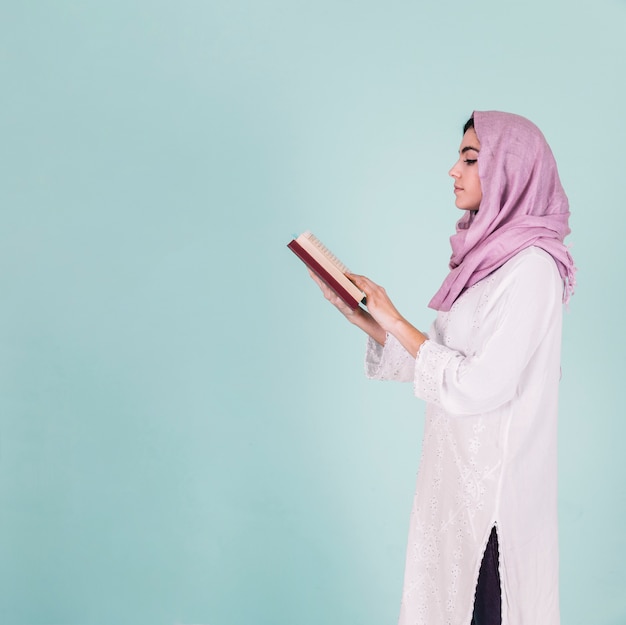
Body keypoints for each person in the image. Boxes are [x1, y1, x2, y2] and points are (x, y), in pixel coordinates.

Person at [307, 111, 575, 625]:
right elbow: (439, 357)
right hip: (454, 484)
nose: (454, 171)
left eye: (471, 159)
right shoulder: (489, 263)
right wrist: (364, 318)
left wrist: (392, 314)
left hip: (495, 503)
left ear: (511, 173)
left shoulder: (533, 268)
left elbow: (477, 385)